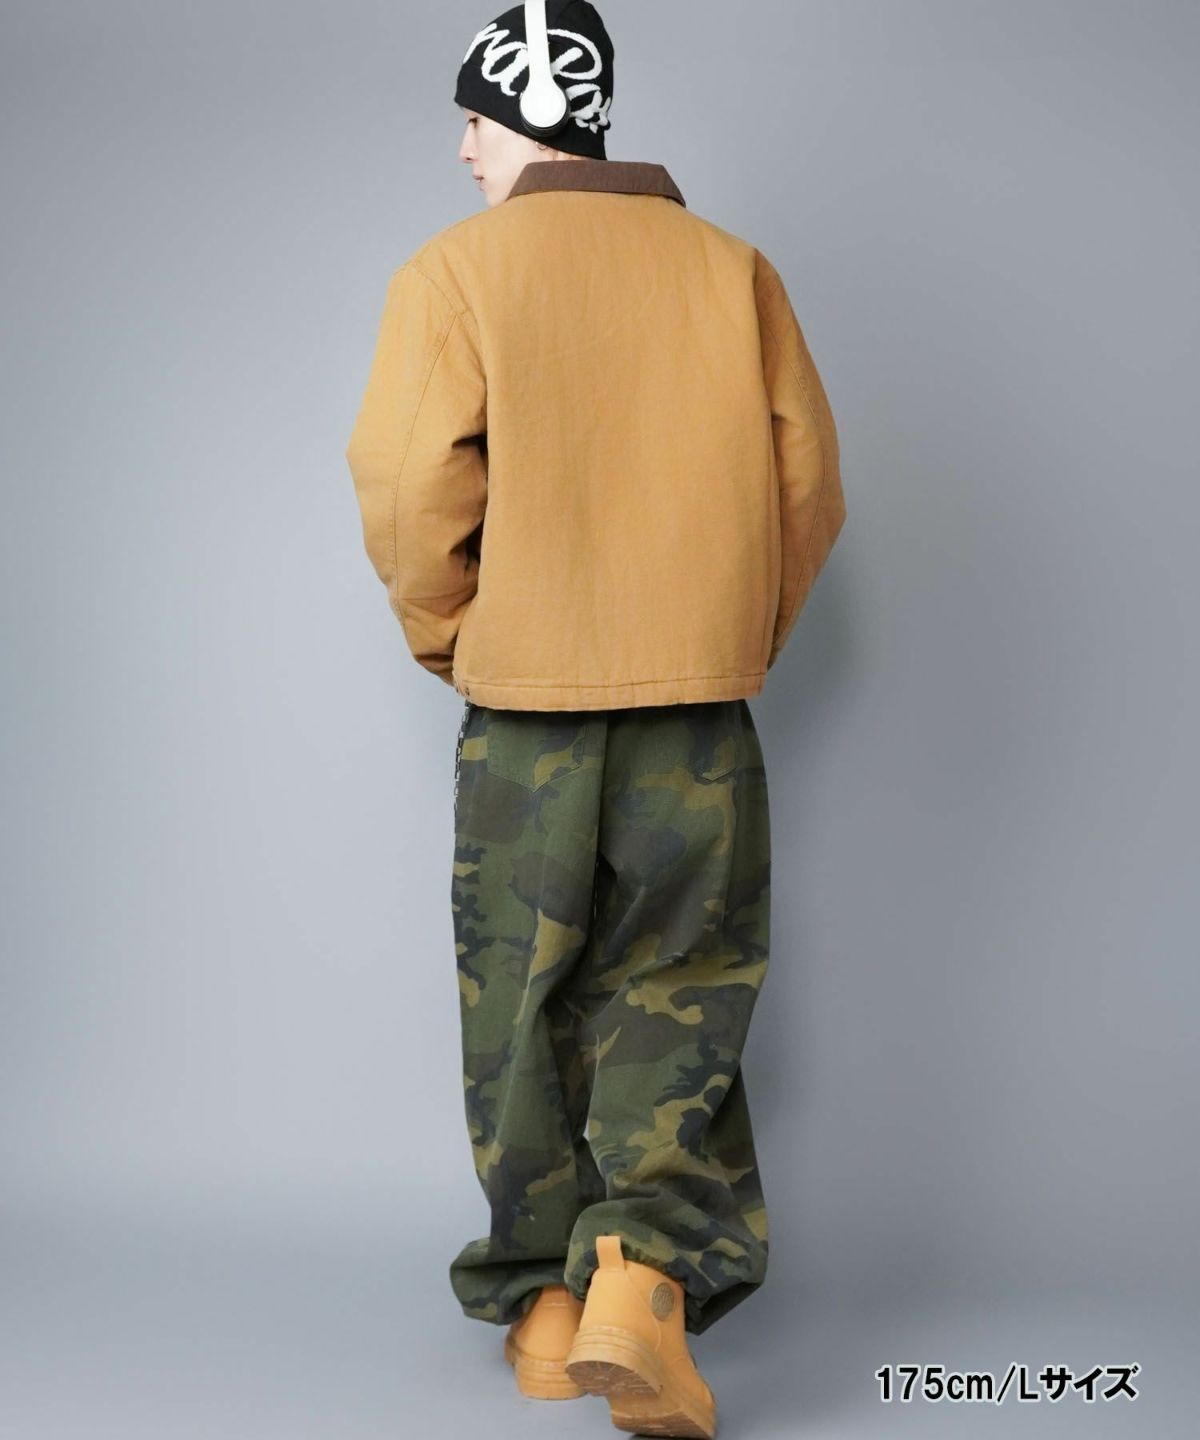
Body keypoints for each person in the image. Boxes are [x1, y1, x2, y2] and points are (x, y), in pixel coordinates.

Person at [344, 3, 846, 1434]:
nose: (464, 151)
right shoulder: (733, 271)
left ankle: (547, 1309)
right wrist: (731, 635)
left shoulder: (455, 274)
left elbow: (408, 487)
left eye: (475, 121)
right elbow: (809, 486)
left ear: (526, 115)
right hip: (699, 713)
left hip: (527, 715)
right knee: (680, 992)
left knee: (521, 1000)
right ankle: (638, 1283)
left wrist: (459, 639)